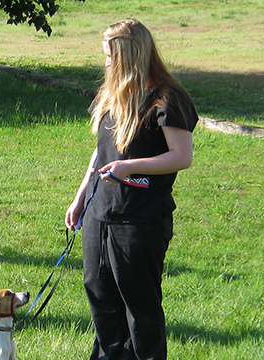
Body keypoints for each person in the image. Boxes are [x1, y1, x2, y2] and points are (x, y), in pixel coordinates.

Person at [64, 19, 196, 360]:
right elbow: (102, 150)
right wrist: (81, 197)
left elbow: (181, 157)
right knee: (99, 294)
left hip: (140, 220)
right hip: (100, 213)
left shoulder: (168, 98)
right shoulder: (114, 95)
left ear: (128, 55)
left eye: (110, 56)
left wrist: (130, 167)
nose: (106, 63)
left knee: (139, 308)